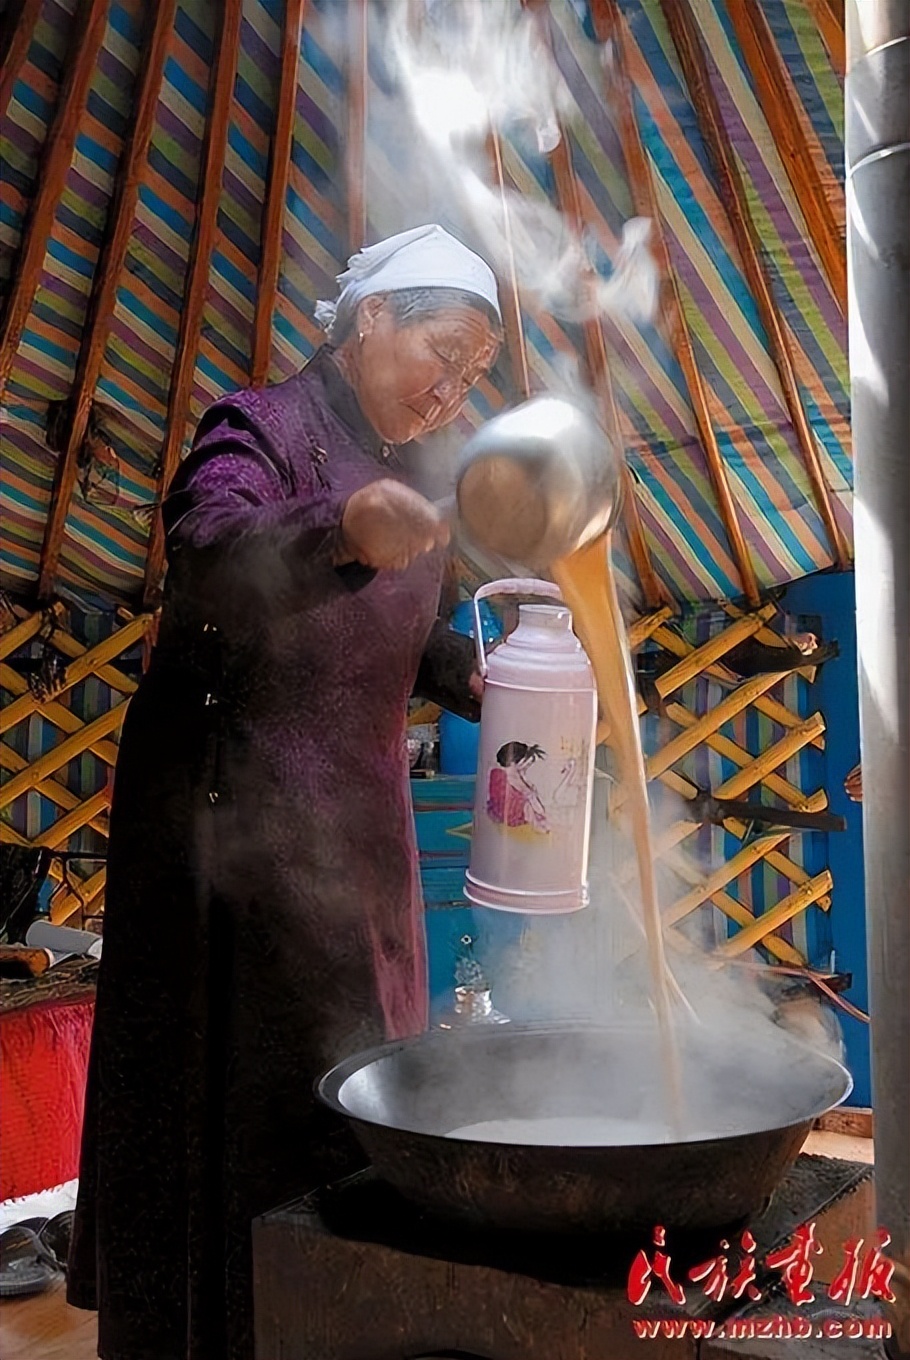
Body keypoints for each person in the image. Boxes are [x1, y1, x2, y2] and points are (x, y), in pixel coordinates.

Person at [67, 225, 502, 1359]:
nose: (452, 388)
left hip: (356, 843)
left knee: (355, 1089)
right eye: (441, 352)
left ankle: (327, 1328)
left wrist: (479, 675)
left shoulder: (413, 480)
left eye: (472, 374)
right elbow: (206, 549)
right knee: (246, 1110)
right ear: (371, 320)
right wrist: (337, 526)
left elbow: (393, 648)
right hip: (232, 841)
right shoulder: (262, 426)